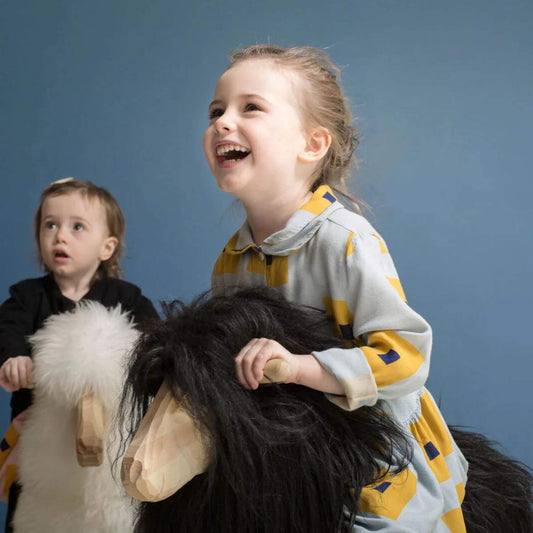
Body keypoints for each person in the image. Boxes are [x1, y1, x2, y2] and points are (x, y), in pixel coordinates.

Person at [205, 44, 468, 532]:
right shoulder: (231, 260)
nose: (222, 122)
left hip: (368, 446)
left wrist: (304, 367)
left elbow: (405, 354)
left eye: (251, 107)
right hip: (282, 447)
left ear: (312, 144)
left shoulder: (344, 240)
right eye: (216, 110)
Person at [0, 178, 159, 532]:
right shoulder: (26, 297)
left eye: (77, 227)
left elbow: (153, 340)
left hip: (110, 435)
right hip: (38, 430)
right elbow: (7, 328)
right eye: (50, 225)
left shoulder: (126, 299)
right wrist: (14, 357)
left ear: (107, 247)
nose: (60, 236)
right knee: (27, 499)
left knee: (112, 506)